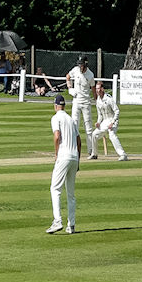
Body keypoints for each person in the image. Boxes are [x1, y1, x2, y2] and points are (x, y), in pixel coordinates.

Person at [48, 93, 79, 234]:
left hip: (64, 156)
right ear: (64, 106)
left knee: (55, 189)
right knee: (71, 193)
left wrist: (56, 153)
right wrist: (78, 159)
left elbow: (57, 136)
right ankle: (71, 225)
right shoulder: (71, 120)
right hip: (74, 157)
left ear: (55, 106)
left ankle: (57, 221)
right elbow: (79, 140)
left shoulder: (56, 118)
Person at [65, 56, 97, 159]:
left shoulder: (90, 75)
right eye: (79, 64)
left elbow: (93, 88)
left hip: (86, 102)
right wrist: (70, 88)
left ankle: (91, 150)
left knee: (88, 127)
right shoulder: (75, 70)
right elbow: (68, 76)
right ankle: (73, 148)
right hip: (76, 101)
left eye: (82, 65)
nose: (80, 66)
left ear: (86, 64)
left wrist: (97, 100)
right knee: (74, 124)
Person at [92, 81, 128, 160]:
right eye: (96, 89)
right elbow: (100, 115)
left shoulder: (108, 98)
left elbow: (117, 111)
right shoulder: (98, 100)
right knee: (94, 134)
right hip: (105, 121)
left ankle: (123, 155)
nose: (97, 91)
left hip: (112, 120)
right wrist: (98, 122)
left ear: (102, 89)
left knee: (112, 135)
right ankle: (94, 154)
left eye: (99, 89)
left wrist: (112, 122)